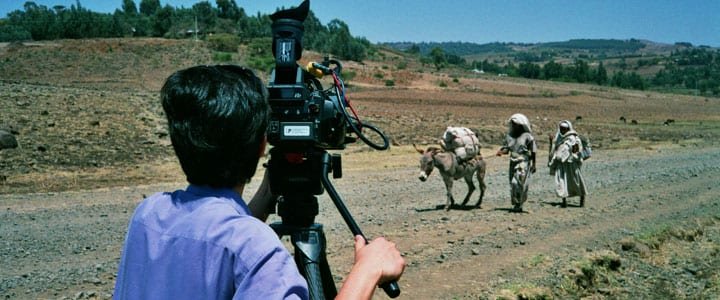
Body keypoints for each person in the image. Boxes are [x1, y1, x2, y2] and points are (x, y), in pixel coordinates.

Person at [113, 65, 405, 299]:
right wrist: (367, 271)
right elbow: (234, 242)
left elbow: (215, 239)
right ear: (263, 144)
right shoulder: (255, 249)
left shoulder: (149, 214)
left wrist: (268, 191)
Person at [495, 113, 537, 212]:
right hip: (513, 161)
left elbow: (533, 150)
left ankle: (520, 203)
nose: (514, 126)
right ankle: (517, 203)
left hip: (523, 161)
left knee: (519, 183)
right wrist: (501, 152)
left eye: (515, 124)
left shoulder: (527, 136)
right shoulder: (509, 136)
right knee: (513, 183)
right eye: (513, 124)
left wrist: (534, 164)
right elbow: (507, 149)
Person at [548, 120, 588, 207]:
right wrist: (551, 142)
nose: (562, 130)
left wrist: (572, 155)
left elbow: (577, 151)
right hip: (561, 164)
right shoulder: (558, 138)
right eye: (561, 128)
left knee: (576, 181)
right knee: (561, 182)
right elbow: (554, 150)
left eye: (564, 129)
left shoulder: (574, 139)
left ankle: (582, 199)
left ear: (568, 129)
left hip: (571, 164)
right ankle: (564, 202)